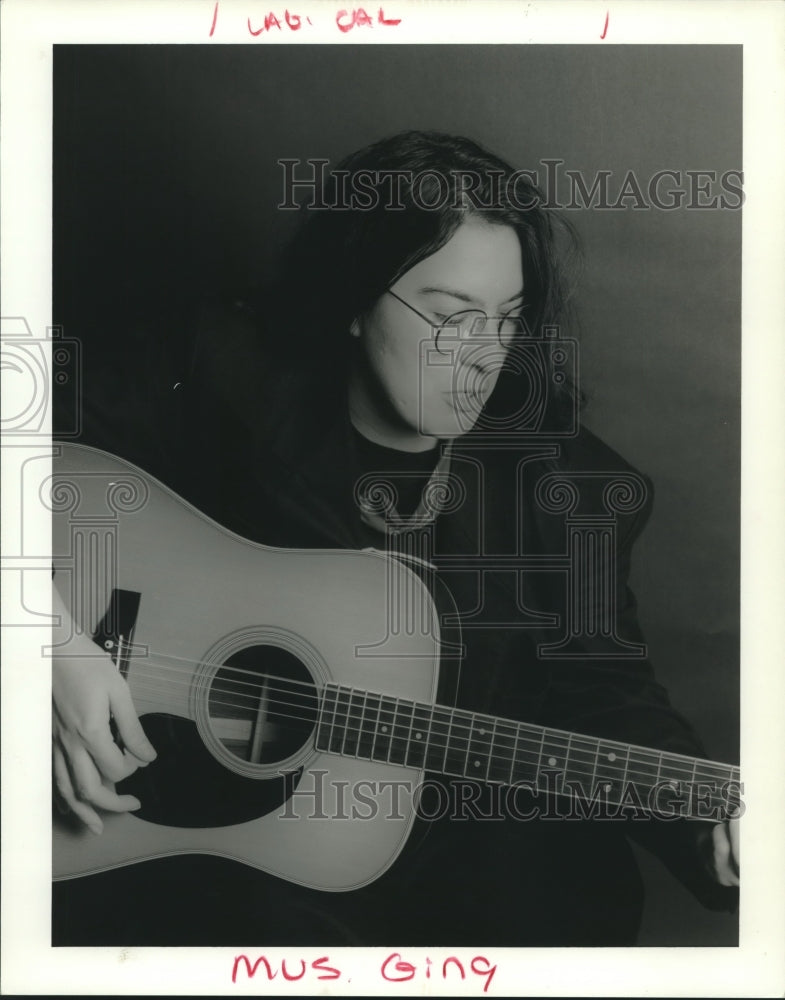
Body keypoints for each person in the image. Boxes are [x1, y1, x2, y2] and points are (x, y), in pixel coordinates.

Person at [51, 130, 739, 946]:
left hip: (454, 872)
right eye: (451, 319)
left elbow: (608, 692)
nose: (484, 357)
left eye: (507, 320)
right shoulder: (218, 375)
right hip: (206, 861)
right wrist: (53, 650)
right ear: (352, 300)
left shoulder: (569, 489)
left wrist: (709, 828)